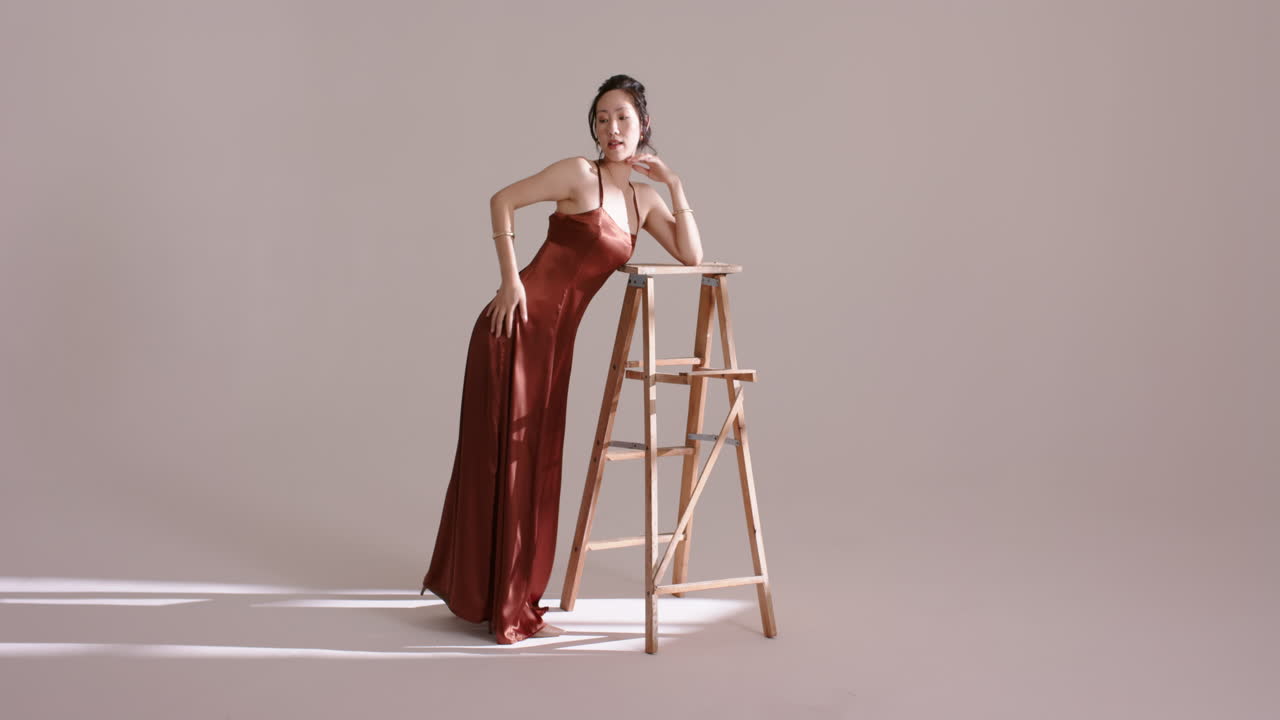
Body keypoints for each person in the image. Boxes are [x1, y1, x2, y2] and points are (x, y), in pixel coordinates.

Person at [419, 74, 704, 644]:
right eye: (601, 118)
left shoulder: (644, 201)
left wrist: (674, 185)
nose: (611, 128)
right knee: (505, 461)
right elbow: (502, 201)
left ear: (642, 125)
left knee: (539, 462)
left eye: (622, 117)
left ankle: (508, 593)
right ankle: (490, 598)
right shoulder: (580, 174)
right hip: (515, 328)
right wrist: (509, 283)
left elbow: (692, 255)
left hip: (556, 345)